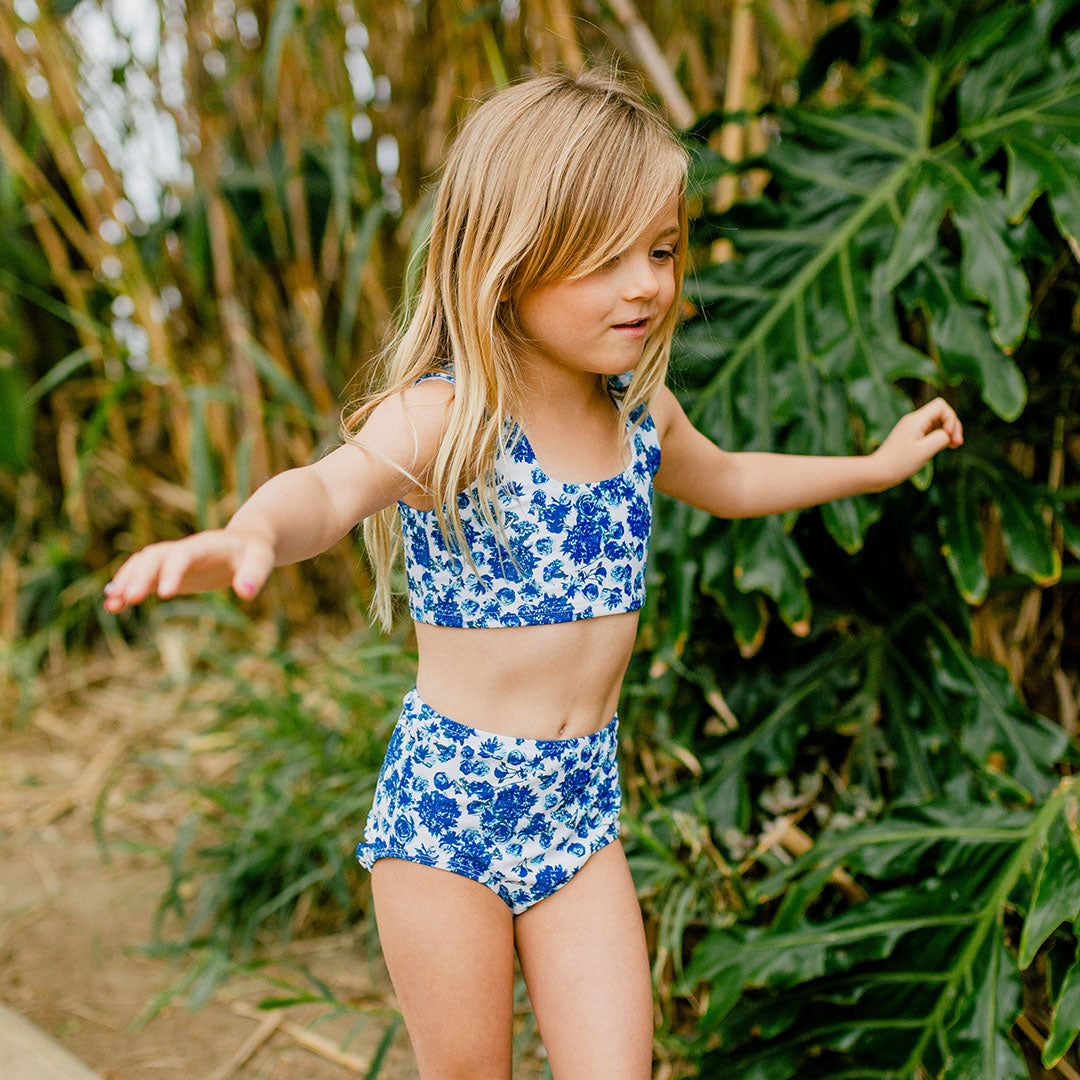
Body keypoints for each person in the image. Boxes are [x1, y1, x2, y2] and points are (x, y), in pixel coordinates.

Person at [102, 69, 963, 1080]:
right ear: (508, 262)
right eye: (604, 259)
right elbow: (326, 493)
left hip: (579, 819)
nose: (645, 284)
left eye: (660, 251)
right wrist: (249, 535)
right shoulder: (449, 418)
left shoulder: (639, 415)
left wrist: (873, 465)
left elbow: (730, 479)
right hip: (446, 821)